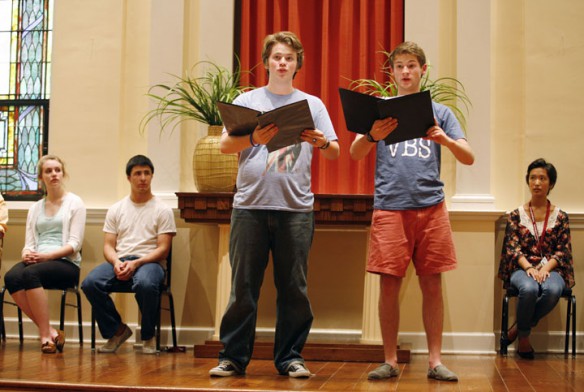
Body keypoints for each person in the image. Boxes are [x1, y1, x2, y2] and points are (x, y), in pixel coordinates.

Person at [209, 31, 340, 378]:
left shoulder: (312, 105)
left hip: (295, 209)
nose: (282, 62)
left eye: (289, 58)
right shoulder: (248, 99)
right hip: (250, 206)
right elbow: (224, 146)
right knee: (242, 288)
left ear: (297, 64)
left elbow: (336, 150)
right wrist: (254, 137)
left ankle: (290, 357)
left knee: (294, 288)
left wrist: (323, 142)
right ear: (267, 62)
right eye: (277, 57)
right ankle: (233, 358)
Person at [350, 41, 475, 381]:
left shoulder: (440, 112)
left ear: (422, 70)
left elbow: (468, 156)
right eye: (400, 66)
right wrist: (372, 135)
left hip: (430, 208)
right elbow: (354, 152)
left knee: (431, 284)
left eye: (412, 65)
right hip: (390, 208)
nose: (406, 71)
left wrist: (445, 140)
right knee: (388, 285)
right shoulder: (381, 109)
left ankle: (435, 361)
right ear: (392, 72)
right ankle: (389, 359)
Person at [82, 155, 176, 354]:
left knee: (145, 283)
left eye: (147, 173)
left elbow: (163, 249)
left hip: (151, 263)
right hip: (122, 260)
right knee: (90, 283)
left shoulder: (162, 209)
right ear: (129, 178)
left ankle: (148, 336)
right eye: (138, 174)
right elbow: (108, 245)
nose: (143, 178)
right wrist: (116, 262)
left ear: (152, 176)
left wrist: (137, 263)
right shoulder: (117, 209)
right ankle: (117, 331)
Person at [4, 155, 86, 353]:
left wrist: (46, 257)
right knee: (12, 277)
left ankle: (44, 336)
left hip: (66, 263)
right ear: (42, 177)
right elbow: (29, 243)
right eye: (48, 171)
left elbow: (74, 244)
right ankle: (50, 330)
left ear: (63, 173)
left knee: (30, 274)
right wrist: (27, 255)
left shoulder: (75, 203)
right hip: (39, 260)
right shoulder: (35, 208)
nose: (54, 174)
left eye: (57, 170)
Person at [498, 158, 574, 359]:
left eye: (542, 178)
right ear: (528, 181)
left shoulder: (561, 217)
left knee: (553, 290)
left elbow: (562, 250)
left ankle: (518, 329)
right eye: (533, 178)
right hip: (521, 269)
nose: (537, 183)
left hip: (552, 268)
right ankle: (524, 339)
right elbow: (512, 249)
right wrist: (529, 268)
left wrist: (545, 269)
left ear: (551, 184)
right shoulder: (516, 215)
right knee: (529, 288)